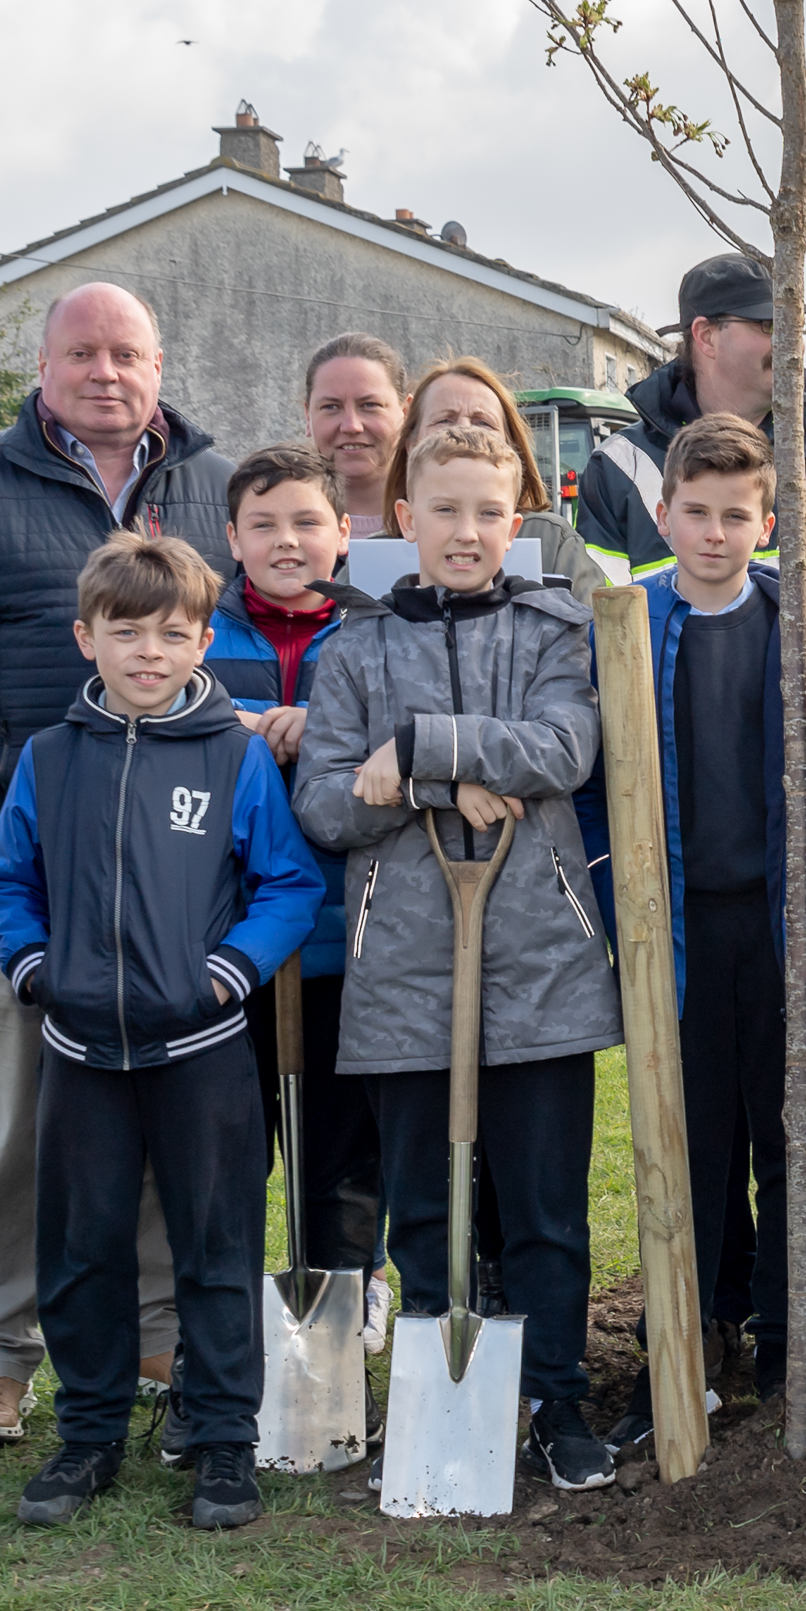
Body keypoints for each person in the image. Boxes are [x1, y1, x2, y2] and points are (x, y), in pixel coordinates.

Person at [0, 281, 237, 1450]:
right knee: (9, 1113)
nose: (107, 372)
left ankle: (157, 1326)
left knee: (156, 1091)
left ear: (159, 366)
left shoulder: (210, 484)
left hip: (172, 865)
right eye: (83, 352)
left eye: (129, 354)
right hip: (15, 857)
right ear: (43, 363)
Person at [293, 423, 624, 1492]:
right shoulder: (355, 651)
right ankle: (441, 1400)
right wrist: (449, 780)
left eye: (491, 512)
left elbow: (563, 751)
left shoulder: (554, 628)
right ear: (405, 520)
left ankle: (558, 1398)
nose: (469, 532)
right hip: (401, 969)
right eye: (446, 511)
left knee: (544, 1209)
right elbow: (328, 804)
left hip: (538, 959)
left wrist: (418, 753)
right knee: (426, 1209)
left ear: (517, 520)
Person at [0, 534, 324, 1534]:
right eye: (125, 632)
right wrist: (33, 964)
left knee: (216, 1249)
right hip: (82, 1056)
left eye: (172, 634)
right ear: (86, 638)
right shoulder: (49, 759)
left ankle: (221, 1441)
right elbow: (6, 880)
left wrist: (228, 972)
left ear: (204, 640)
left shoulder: (234, 757)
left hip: (202, 1057)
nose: (148, 652)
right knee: (83, 1251)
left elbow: (290, 886)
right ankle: (87, 1438)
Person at [633, 412, 806, 1399]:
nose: (712, 532)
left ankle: (793, 1343)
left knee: (795, 1141)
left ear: (770, 520)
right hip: (683, 932)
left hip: (792, 932)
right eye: (694, 511)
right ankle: (691, 1341)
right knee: (692, 1145)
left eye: (734, 514)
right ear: (663, 514)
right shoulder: (628, 628)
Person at [208, 443, 387, 1349]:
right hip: (229, 947)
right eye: (264, 525)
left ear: (345, 532)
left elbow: (403, 737)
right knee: (235, 1156)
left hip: (346, 940)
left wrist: (328, 729)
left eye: (309, 522)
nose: (288, 542)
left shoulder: (378, 635)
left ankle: (338, 1330)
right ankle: (233, 1339)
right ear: (231, 537)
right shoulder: (198, 633)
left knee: (344, 1154)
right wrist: (223, 726)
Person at [574, 252, 806, 585]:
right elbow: (604, 615)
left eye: (798, 326)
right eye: (771, 325)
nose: (793, 345)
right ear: (706, 336)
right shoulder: (619, 467)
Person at [376, 356, 604, 591]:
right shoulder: (370, 555)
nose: (465, 431)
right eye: (444, 420)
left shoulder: (553, 541)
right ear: (411, 444)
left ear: (510, 445)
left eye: (483, 422)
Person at [303, 334, 409, 538]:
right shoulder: (274, 524)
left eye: (370, 405)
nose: (351, 426)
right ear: (308, 416)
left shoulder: (442, 519)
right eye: (331, 407)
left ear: (406, 412)